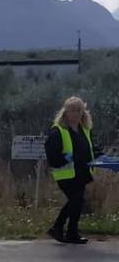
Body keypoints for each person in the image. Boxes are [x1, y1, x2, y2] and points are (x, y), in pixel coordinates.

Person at [44, 96, 98, 244]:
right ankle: (61, 228)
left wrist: (104, 158)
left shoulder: (84, 129)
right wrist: (64, 159)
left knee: (77, 202)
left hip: (82, 172)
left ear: (83, 112)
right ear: (65, 112)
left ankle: (69, 232)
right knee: (76, 200)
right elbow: (51, 154)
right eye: (72, 110)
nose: (75, 113)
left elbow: (91, 148)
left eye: (79, 110)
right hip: (66, 173)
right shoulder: (58, 130)